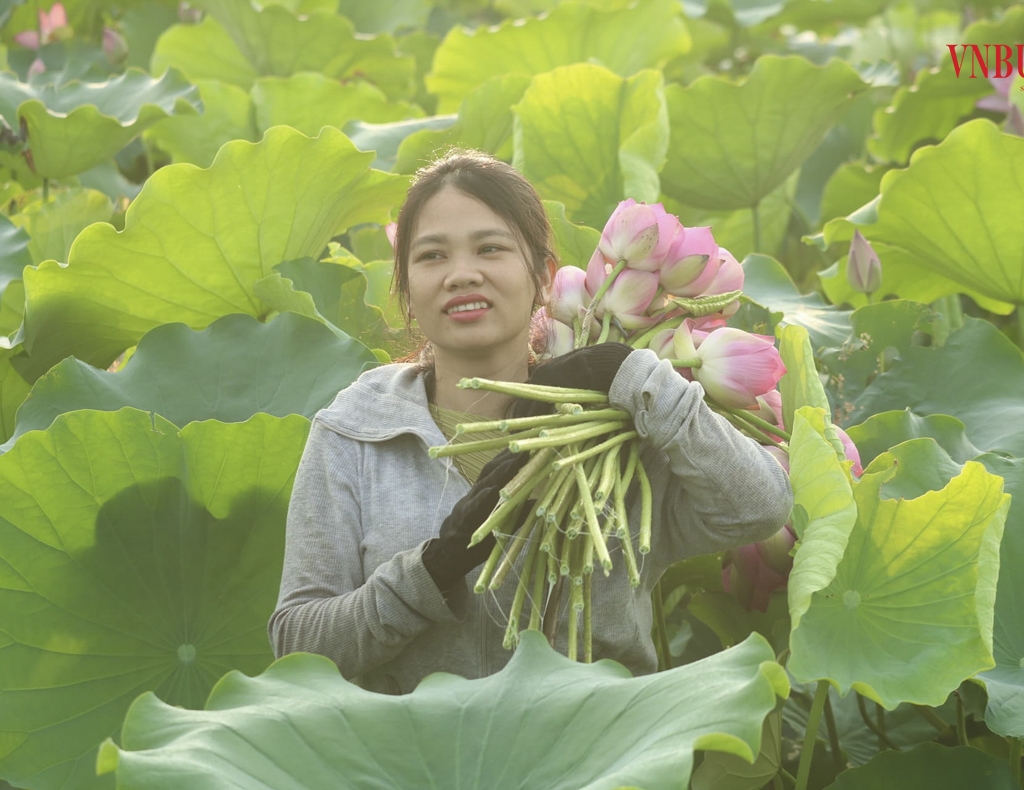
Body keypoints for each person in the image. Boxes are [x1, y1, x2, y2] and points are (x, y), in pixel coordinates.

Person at [268, 149, 794, 695]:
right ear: (405, 289)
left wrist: (626, 370)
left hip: (594, 743)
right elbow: (298, 643)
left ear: (544, 278)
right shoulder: (353, 431)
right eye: (432, 256)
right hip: (414, 744)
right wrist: (430, 573)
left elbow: (760, 507)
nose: (462, 274)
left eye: (490, 249)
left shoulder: (618, 433)